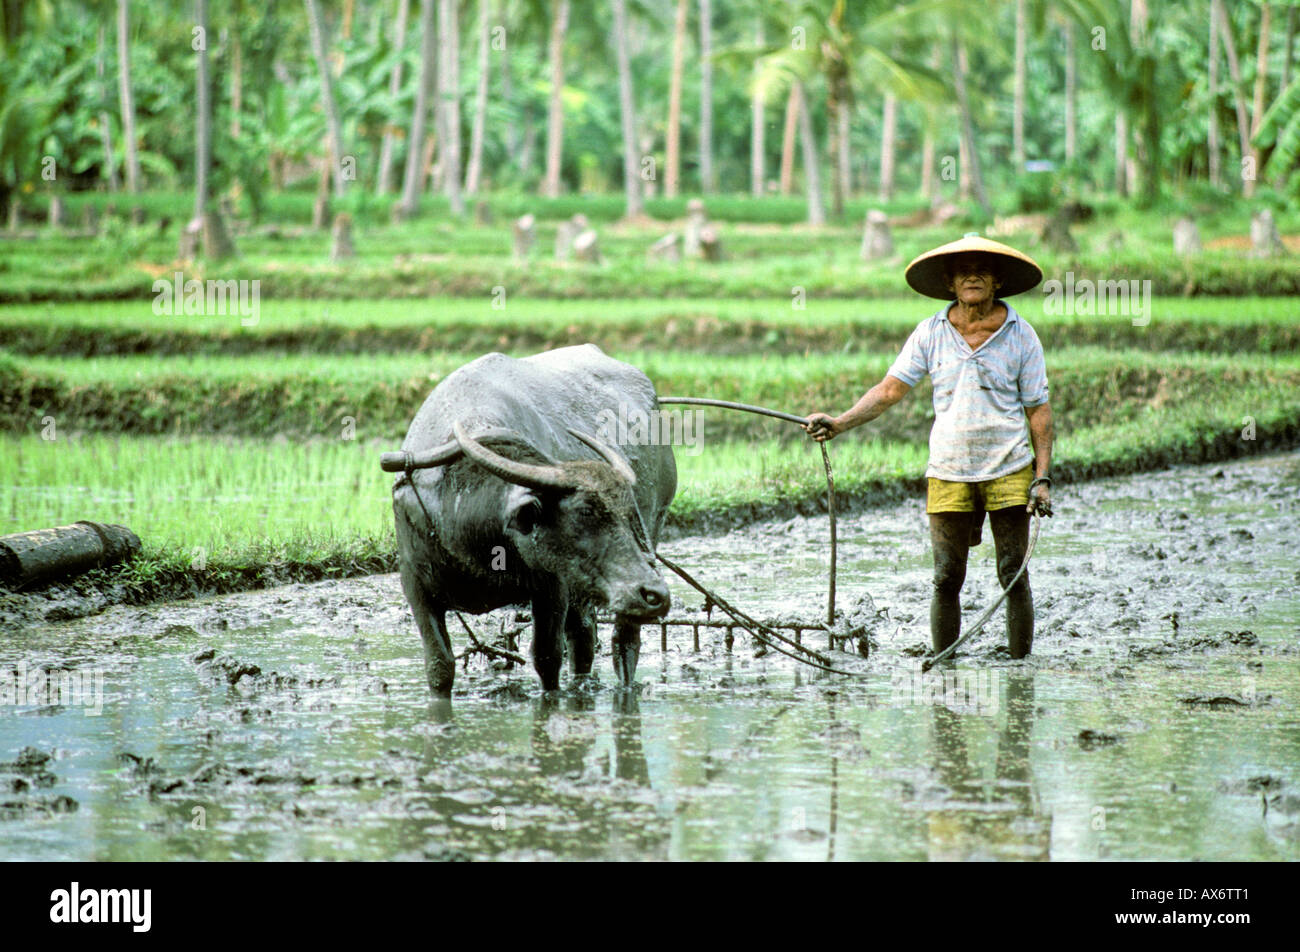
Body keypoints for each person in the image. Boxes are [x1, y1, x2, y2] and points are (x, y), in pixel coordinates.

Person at [804, 234, 1053, 659]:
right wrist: (841, 422)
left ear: (997, 282)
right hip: (948, 469)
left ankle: (1020, 670)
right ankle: (944, 663)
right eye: (963, 270)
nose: (972, 276)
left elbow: (1039, 412)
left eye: (982, 270)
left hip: (1009, 466)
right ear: (950, 283)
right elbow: (888, 391)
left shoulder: (1020, 334)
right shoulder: (931, 333)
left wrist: (1042, 478)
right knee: (945, 576)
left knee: (1013, 573)